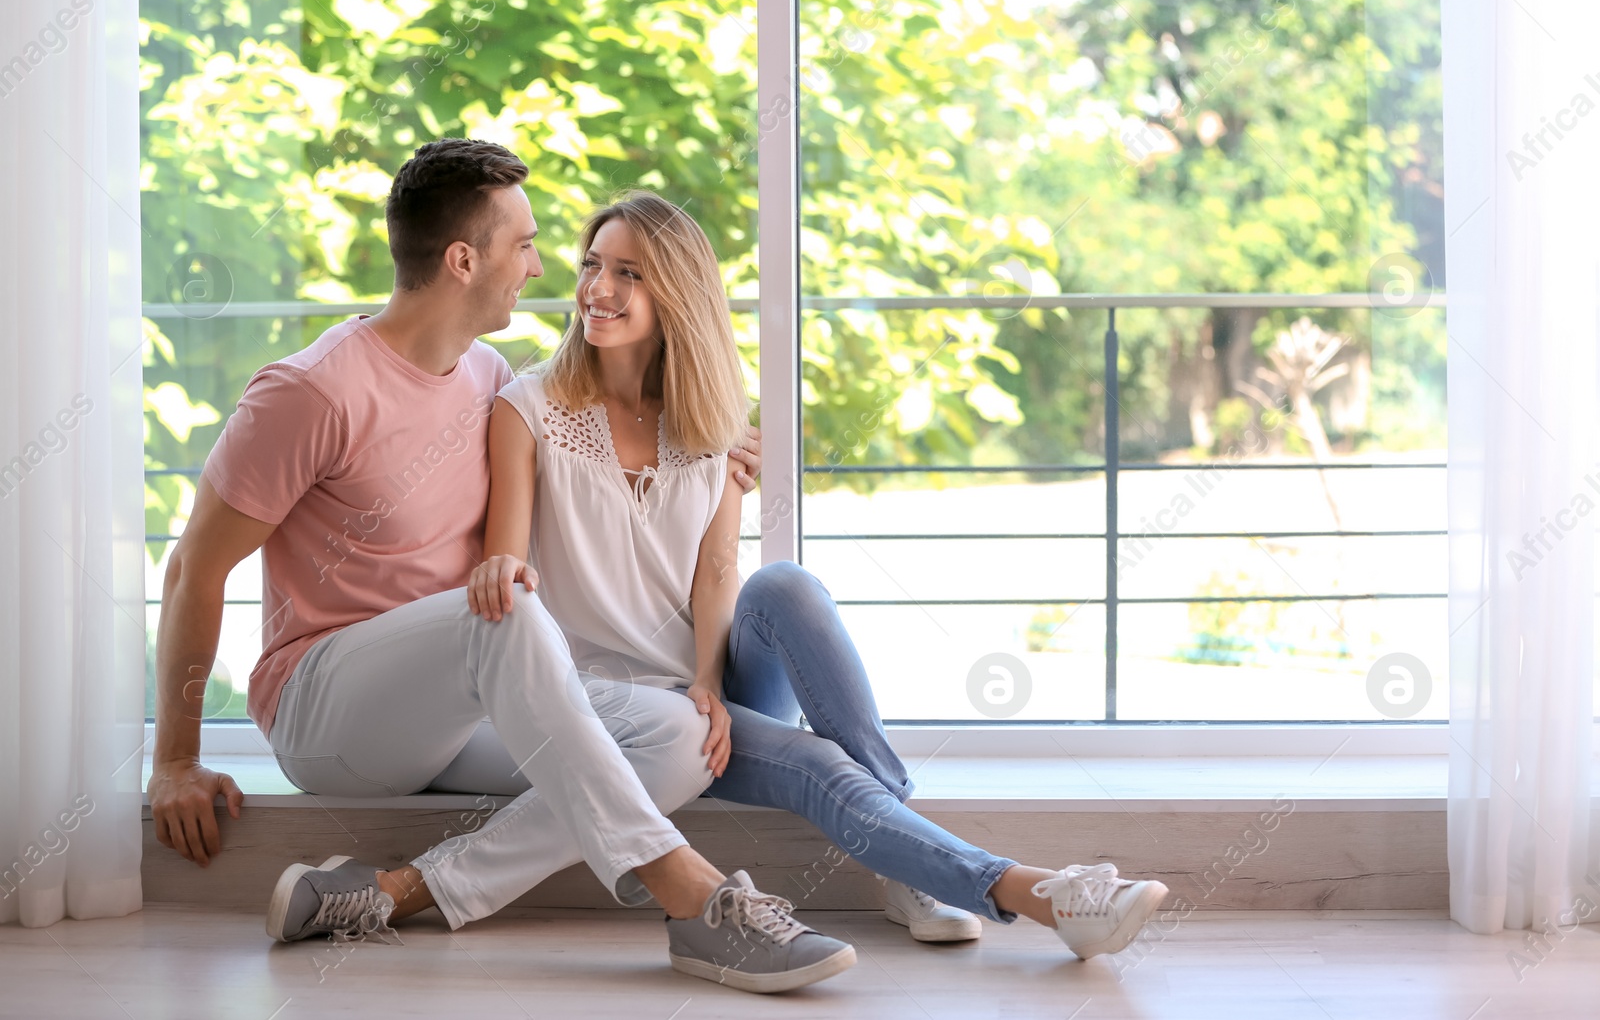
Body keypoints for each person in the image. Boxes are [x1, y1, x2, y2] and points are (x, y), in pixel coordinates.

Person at [146, 139, 857, 994]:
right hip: (329, 709)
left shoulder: (486, 376)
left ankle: (390, 893)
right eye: (523, 243)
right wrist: (176, 759)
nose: (542, 263)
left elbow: (594, 422)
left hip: (462, 699)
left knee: (677, 736)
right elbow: (194, 567)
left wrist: (717, 446)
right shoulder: (311, 392)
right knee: (509, 609)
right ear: (462, 259)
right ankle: (693, 901)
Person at [460, 189, 1170, 961]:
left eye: (630, 272)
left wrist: (706, 684)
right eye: (593, 265)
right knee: (819, 764)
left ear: (678, 294)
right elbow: (510, 571)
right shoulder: (525, 410)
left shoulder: (711, 421)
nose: (599, 289)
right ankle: (1038, 892)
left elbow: (719, 569)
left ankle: (922, 862)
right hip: (615, 712)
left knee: (785, 584)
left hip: (700, 693)